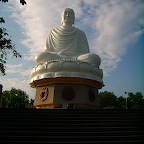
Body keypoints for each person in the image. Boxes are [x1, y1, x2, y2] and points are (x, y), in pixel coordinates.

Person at [35, 8, 101, 67]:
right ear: (61, 18)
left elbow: (85, 53)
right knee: (40, 57)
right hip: (57, 57)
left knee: (94, 58)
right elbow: (47, 51)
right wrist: (59, 55)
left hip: (76, 58)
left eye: (70, 14)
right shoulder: (53, 32)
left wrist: (75, 57)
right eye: (65, 14)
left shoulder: (80, 33)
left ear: (74, 18)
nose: (67, 15)